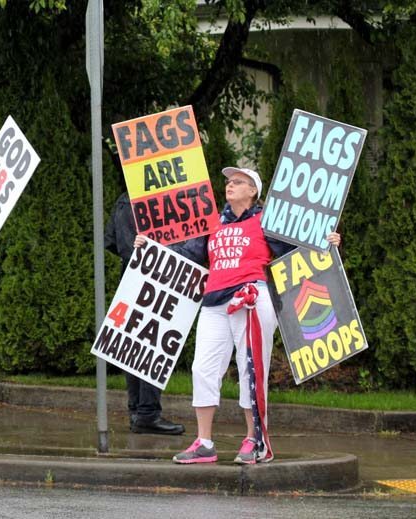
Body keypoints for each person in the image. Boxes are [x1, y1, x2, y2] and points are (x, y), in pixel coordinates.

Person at [134, 166, 340, 464]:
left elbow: (298, 251)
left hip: (252, 299)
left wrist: (326, 242)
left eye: (238, 182)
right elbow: (187, 252)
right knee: (202, 369)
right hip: (214, 302)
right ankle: (204, 442)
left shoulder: (267, 220)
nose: (230, 185)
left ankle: (254, 438)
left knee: (251, 369)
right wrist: (150, 245)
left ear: (253, 191)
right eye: (228, 182)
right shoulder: (213, 222)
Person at [104, 192, 185, 435]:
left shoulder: (123, 199)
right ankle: (147, 413)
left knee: (134, 344)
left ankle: (137, 413)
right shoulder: (158, 198)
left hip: (129, 277)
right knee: (151, 345)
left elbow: (110, 241)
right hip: (154, 278)